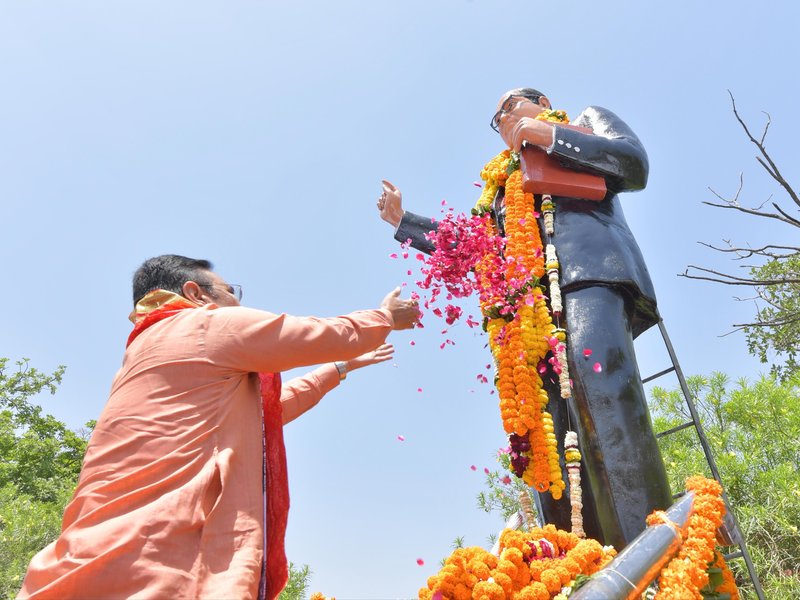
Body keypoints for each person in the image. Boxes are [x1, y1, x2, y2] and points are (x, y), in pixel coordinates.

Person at [19, 254, 420, 600]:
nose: (235, 303)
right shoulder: (203, 327)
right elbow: (310, 334)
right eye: (232, 293)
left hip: (82, 560)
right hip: (159, 561)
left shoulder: (142, 353)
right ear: (195, 294)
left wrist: (338, 370)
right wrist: (383, 317)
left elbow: (262, 416)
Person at [377, 88, 671, 550]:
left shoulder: (583, 121)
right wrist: (404, 223)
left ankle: (651, 554)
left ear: (542, 100)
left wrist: (548, 136)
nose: (505, 116)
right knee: (545, 431)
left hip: (588, 277)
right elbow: (475, 246)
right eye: (497, 116)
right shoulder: (498, 189)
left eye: (512, 105)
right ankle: (578, 567)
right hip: (527, 314)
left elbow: (633, 165)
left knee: (600, 396)